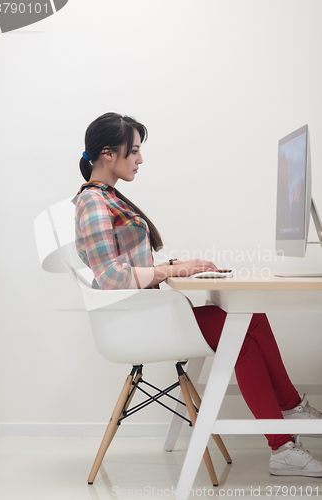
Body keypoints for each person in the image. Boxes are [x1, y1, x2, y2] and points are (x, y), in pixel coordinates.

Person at [74, 112, 322, 477]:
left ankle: (288, 416)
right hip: (138, 323)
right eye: (135, 151)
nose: (140, 160)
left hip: (148, 313)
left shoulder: (107, 197)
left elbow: (129, 262)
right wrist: (172, 271)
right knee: (242, 332)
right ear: (108, 153)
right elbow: (111, 276)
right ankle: (283, 439)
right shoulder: (93, 202)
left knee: (250, 317)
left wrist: (178, 263)